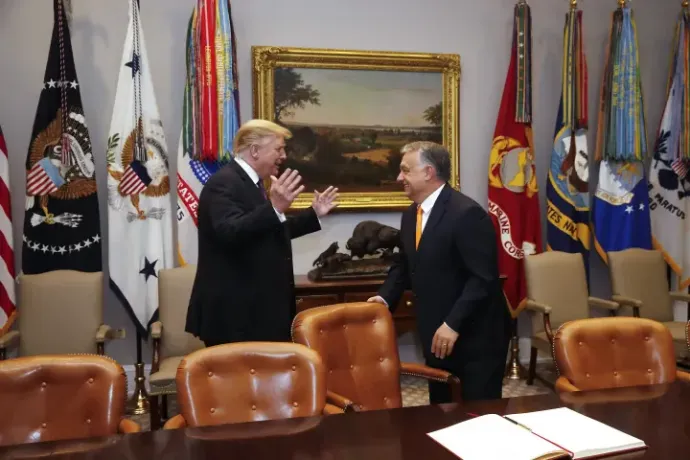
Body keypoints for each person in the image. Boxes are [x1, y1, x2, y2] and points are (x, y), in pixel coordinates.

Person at [368, 141, 510, 403]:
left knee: (477, 419)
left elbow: (483, 278)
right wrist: (385, 298)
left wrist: (453, 323)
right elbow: (405, 263)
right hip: (436, 336)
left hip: (474, 338)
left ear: (428, 172)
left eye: (405, 170)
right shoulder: (412, 214)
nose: (400, 177)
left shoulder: (467, 214)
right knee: (442, 413)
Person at [186, 119, 338, 347]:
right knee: (237, 383)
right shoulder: (224, 183)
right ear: (255, 151)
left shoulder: (252, 183)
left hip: (256, 313)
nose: (284, 155)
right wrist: (274, 207)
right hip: (235, 317)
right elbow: (229, 232)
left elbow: (267, 232)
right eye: (278, 149)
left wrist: (313, 214)